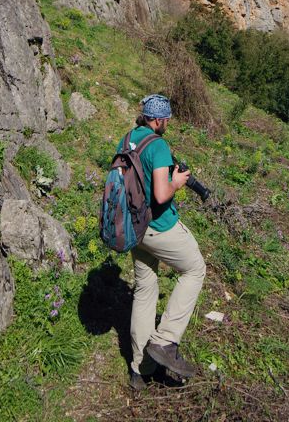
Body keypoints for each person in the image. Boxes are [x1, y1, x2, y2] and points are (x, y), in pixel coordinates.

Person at [122, 94, 206, 391]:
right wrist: (178, 183)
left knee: (145, 289)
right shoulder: (157, 145)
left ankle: (139, 368)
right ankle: (166, 341)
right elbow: (160, 195)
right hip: (157, 227)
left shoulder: (130, 137)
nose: (168, 123)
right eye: (167, 118)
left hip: (133, 227)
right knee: (195, 270)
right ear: (158, 120)